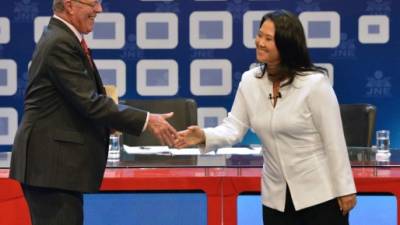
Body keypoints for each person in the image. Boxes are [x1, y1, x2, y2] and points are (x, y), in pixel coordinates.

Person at [175, 10, 356, 225]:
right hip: (275, 197)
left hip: (320, 195)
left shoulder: (314, 84)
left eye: (268, 39)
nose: (260, 42)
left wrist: (345, 189)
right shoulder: (250, 81)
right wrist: (203, 135)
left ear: (286, 45)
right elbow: (234, 127)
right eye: (260, 35)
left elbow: (334, 141)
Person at [9, 0, 177, 225]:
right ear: (69, 5)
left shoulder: (63, 38)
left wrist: (108, 122)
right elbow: (89, 102)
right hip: (50, 169)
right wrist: (147, 120)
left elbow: (74, 103)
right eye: (93, 3)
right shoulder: (59, 42)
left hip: (54, 168)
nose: (99, 9)